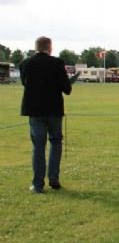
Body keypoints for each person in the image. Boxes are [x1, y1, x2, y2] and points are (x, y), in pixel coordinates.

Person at [20, 36, 79, 193]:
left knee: (38, 147)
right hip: (53, 111)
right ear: (50, 48)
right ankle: (54, 178)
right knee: (55, 143)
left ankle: (37, 184)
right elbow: (66, 89)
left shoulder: (26, 64)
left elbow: (25, 82)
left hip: (34, 112)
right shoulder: (57, 63)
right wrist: (69, 82)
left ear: (36, 47)